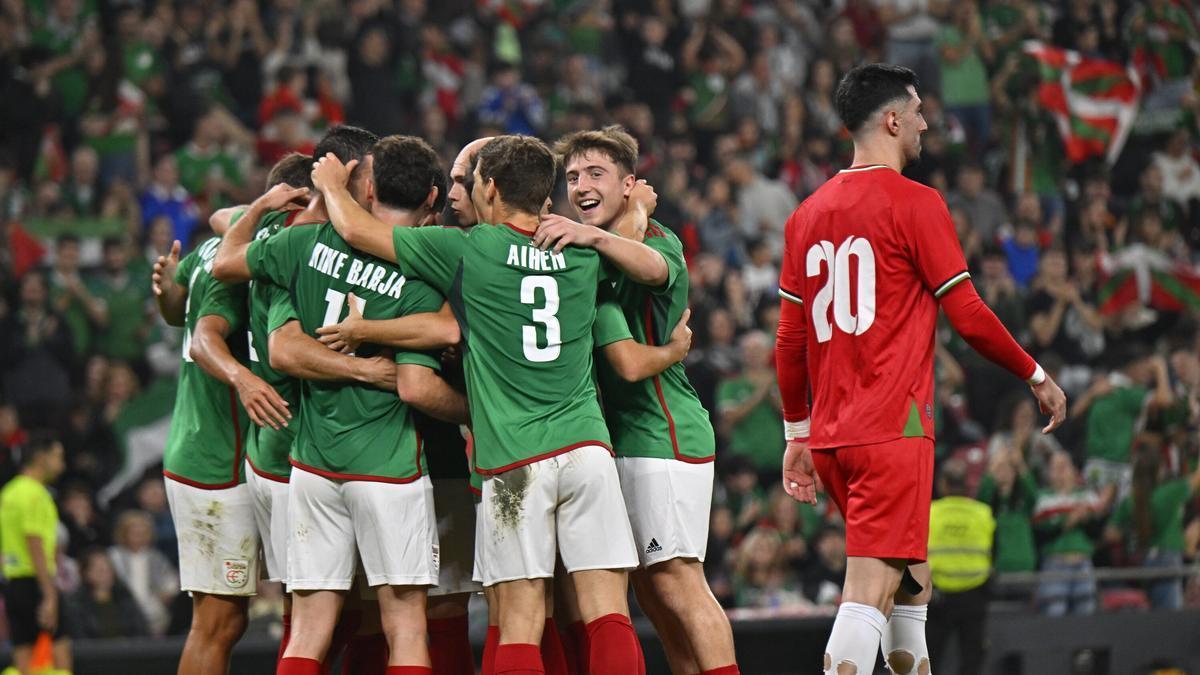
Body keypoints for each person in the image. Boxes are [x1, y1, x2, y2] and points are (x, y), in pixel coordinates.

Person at [310, 135, 678, 674]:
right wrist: (636, 210)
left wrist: (329, 186)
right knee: (608, 613)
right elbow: (646, 263)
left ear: (490, 186)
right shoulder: (580, 250)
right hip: (586, 449)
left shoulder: (468, 248)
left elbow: (357, 230)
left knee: (521, 619)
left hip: (513, 459)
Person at [774, 63, 1066, 675]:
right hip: (892, 429)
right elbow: (968, 313)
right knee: (868, 594)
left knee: (913, 584)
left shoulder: (806, 215)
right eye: (918, 111)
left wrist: (797, 434)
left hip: (834, 436)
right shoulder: (916, 203)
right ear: (891, 119)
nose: (926, 124)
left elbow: (790, 338)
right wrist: (1035, 374)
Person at [214, 135, 469, 675]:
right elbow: (428, 361)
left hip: (312, 465)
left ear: (369, 187)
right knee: (404, 626)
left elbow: (227, 261)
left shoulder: (306, 244)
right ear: (432, 197)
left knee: (308, 630)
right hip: (388, 465)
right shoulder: (425, 272)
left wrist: (259, 208)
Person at [546, 126, 738, 675]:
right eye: (574, 176)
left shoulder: (656, 240)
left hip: (662, 433)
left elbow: (654, 276)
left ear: (630, 185)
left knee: (679, 584)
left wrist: (604, 235)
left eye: (596, 174)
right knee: (653, 595)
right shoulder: (597, 256)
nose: (581, 185)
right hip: (626, 438)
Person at [151, 208, 287, 674]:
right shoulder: (242, 265)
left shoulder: (215, 244)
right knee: (218, 622)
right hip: (217, 460)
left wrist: (168, 292)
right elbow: (201, 341)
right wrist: (246, 381)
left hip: (211, 448)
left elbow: (176, 308)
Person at [0, 433, 71, 675]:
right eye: (58, 457)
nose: (62, 464)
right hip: (36, 584)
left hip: (13, 584)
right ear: (41, 458)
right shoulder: (36, 494)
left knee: (23, 661)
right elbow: (35, 544)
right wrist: (50, 595)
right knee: (61, 657)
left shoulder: (9, 493)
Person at [926, 458, 995, 675]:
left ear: (942, 484)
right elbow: (995, 552)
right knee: (971, 661)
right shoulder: (983, 513)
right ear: (967, 485)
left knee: (929, 661)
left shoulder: (929, 512)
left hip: (937, 597)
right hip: (973, 595)